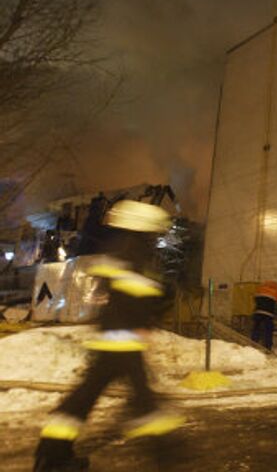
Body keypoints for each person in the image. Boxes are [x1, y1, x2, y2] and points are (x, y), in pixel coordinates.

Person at [34, 200, 185, 472]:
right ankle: (167, 457)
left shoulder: (118, 248)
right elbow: (135, 293)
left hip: (111, 339)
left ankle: (51, 455)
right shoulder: (135, 250)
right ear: (145, 227)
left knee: (83, 399)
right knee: (144, 403)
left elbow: (111, 291)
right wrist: (148, 316)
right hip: (124, 341)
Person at [251, 280, 277, 351]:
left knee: (256, 328)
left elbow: (255, 298)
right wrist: (276, 313)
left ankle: (253, 343)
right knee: (268, 331)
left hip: (258, 312)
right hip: (269, 314)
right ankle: (268, 347)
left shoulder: (260, 288)